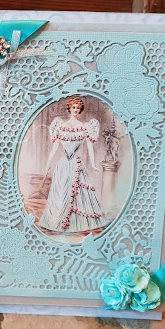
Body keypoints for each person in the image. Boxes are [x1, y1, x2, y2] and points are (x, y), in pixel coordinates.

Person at [38, 96, 108, 233]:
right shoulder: (60, 127)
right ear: (69, 109)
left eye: (78, 108)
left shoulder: (85, 127)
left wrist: (93, 164)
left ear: (80, 110)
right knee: (61, 192)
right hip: (63, 164)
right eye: (74, 107)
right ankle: (57, 220)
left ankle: (75, 222)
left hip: (75, 164)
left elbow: (90, 147)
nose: (76, 110)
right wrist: (48, 164)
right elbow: (55, 148)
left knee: (76, 192)